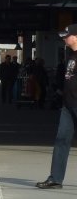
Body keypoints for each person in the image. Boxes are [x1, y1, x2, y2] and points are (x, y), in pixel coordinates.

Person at [37, 25, 77, 188]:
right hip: (68, 105)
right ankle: (55, 178)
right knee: (61, 140)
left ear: (75, 37)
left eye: (66, 36)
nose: (64, 39)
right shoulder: (70, 55)